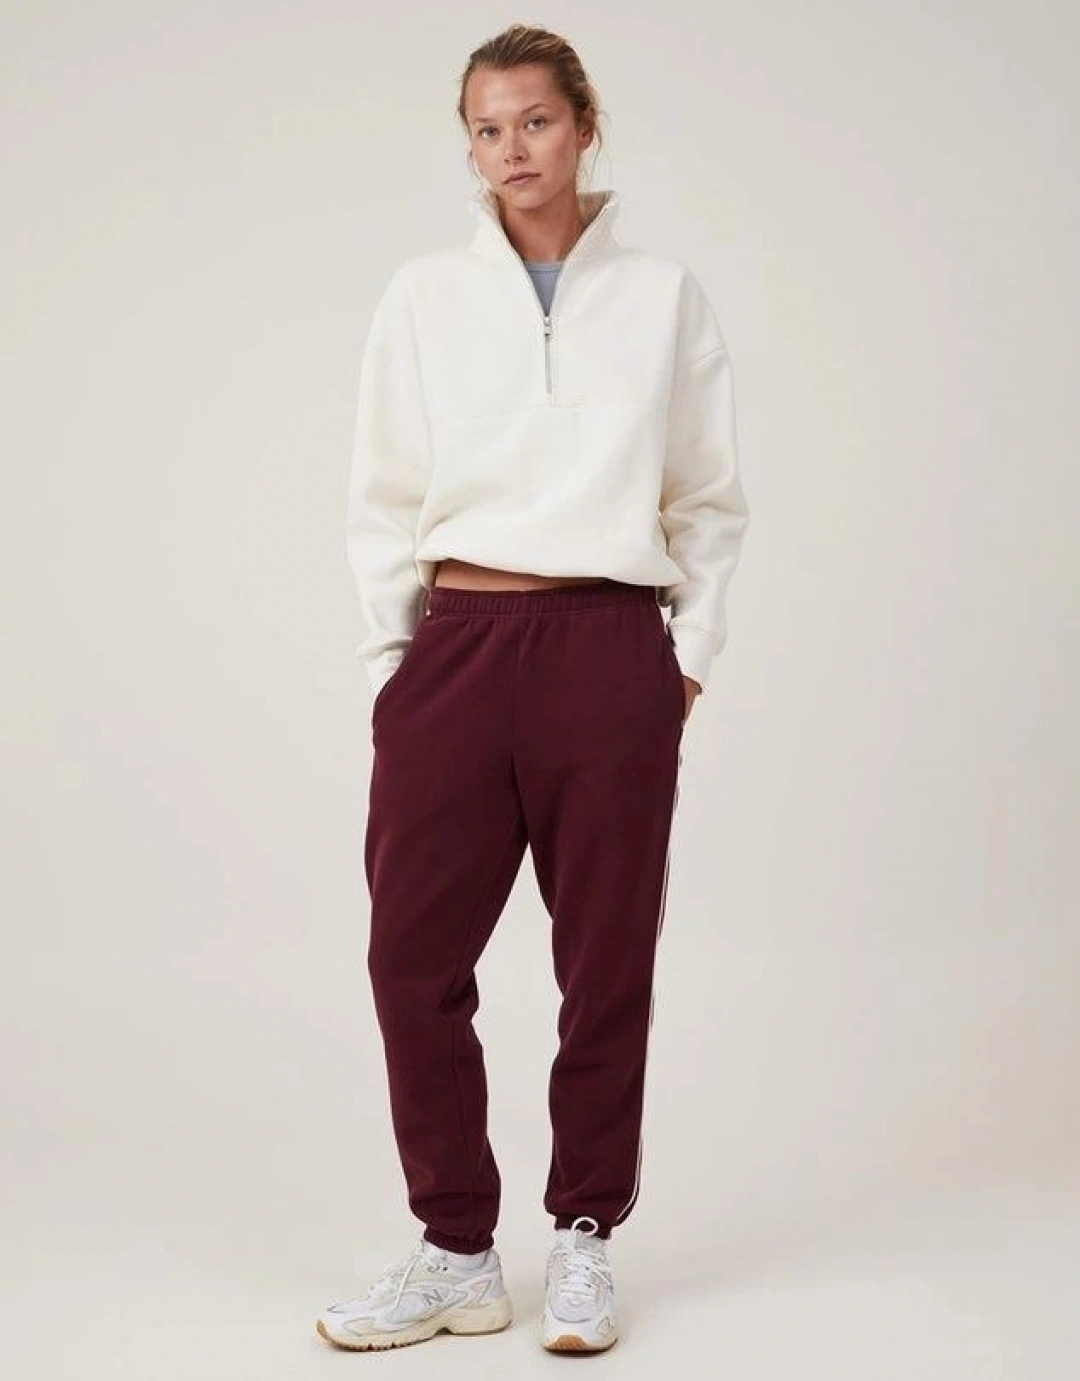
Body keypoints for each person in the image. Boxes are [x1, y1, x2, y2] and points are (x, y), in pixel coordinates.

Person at [316, 22, 749, 1355]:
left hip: (608, 646)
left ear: (583, 124)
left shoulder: (662, 297)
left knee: (604, 960)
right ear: (470, 145)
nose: (512, 148)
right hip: (458, 643)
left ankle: (583, 1237)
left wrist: (682, 659)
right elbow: (382, 493)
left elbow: (707, 497)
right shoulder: (424, 297)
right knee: (411, 957)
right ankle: (456, 1249)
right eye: (488, 129)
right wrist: (396, 669)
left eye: (536, 121)